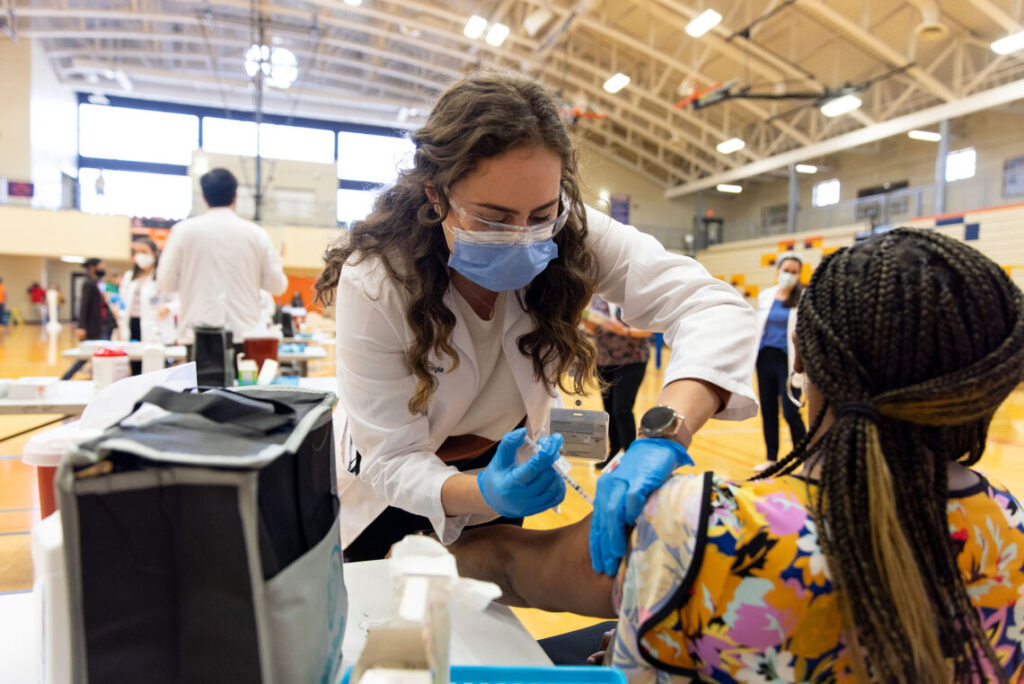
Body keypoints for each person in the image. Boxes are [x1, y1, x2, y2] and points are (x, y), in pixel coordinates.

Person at [451, 228, 1024, 683]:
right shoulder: (1011, 528)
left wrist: (468, 502)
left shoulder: (707, 525)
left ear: (799, 357)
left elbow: (503, 565)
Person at [315, 72, 758, 565]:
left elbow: (711, 305)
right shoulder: (376, 279)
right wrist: (486, 492)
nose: (522, 235)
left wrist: (665, 437)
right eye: (493, 218)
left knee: (489, 621)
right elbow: (393, 460)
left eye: (540, 214)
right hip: (389, 493)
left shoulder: (571, 228)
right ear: (435, 195)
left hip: (508, 472)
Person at [158, 168, 288, 345]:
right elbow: (277, 285)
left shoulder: (182, 231)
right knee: (241, 374)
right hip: (242, 334)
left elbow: (166, 283)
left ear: (204, 197)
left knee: (197, 374)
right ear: (235, 197)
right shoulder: (256, 234)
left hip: (196, 335)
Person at [581, 295, 652, 470]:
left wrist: (620, 330)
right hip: (604, 361)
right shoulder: (597, 299)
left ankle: (630, 455)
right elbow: (591, 331)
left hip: (633, 360)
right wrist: (588, 324)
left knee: (622, 409)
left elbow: (648, 330)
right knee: (608, 410)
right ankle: (614, 452)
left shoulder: (634, 298)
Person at [755, 252, 807, 468]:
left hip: (789, 362)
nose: (789, 275)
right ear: (778, 271)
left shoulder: (803, 297)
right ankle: (771, 458)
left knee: (791, 411)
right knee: (768, 410)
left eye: (794, 272)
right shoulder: (766, 295)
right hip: (764, 358)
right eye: (786, 270)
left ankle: (804, 457)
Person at [119, 238, 176, 374]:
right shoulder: (129, 277)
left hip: (156, 328)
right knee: (136, 370)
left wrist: (168, 308)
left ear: (155, 254)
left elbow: (177, 300)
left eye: (144, 251)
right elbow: (123, 303)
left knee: (156, 371)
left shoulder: (163, 276)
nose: (140, 255)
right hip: (133, 327)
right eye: (136, 252)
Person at [62, 258, 115, 379]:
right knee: (88, 354)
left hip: (102, 324)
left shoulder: (97, 283)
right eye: (101, 266)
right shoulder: (88, 283)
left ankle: (96, 375)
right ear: (93, 267)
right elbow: (84, 305)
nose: (103, 269)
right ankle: (66, 377)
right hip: (94, 326)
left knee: (97, 353)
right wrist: (81, 326)